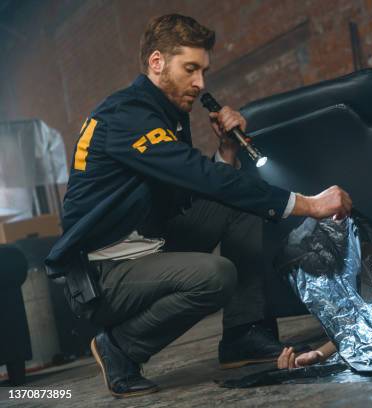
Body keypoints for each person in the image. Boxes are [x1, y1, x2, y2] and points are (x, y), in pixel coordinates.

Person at [45, 14, 352, 398]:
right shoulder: (125, 116)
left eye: (203, 71)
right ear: (157, 63)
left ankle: (244, 334)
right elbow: (200, 177)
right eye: (190, 69)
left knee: (241, 202)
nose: (200, 83)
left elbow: (187, 194)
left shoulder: (166, 114)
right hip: (101, 276)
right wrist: (309, 204)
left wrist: (226, 150)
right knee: (215, 275)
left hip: (147, 245)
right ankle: (121, 348)